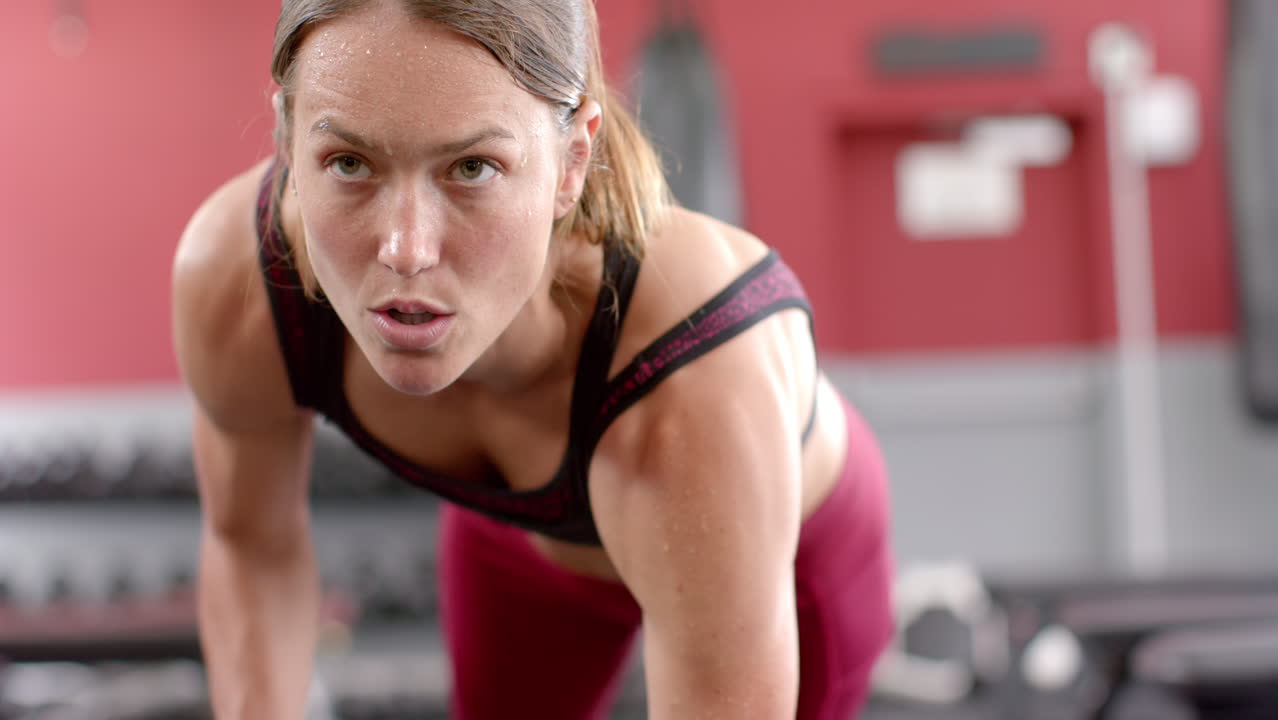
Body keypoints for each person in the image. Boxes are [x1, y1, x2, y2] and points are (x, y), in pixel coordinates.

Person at [171, 0, 894, 718]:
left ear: (572, 159)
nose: (407, 250)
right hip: (518, 545)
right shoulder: (240, 285)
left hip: (780, 551)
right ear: (287, 141)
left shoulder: (696, 377)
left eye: (473, 167)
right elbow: (250, 547)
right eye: (350, 163)